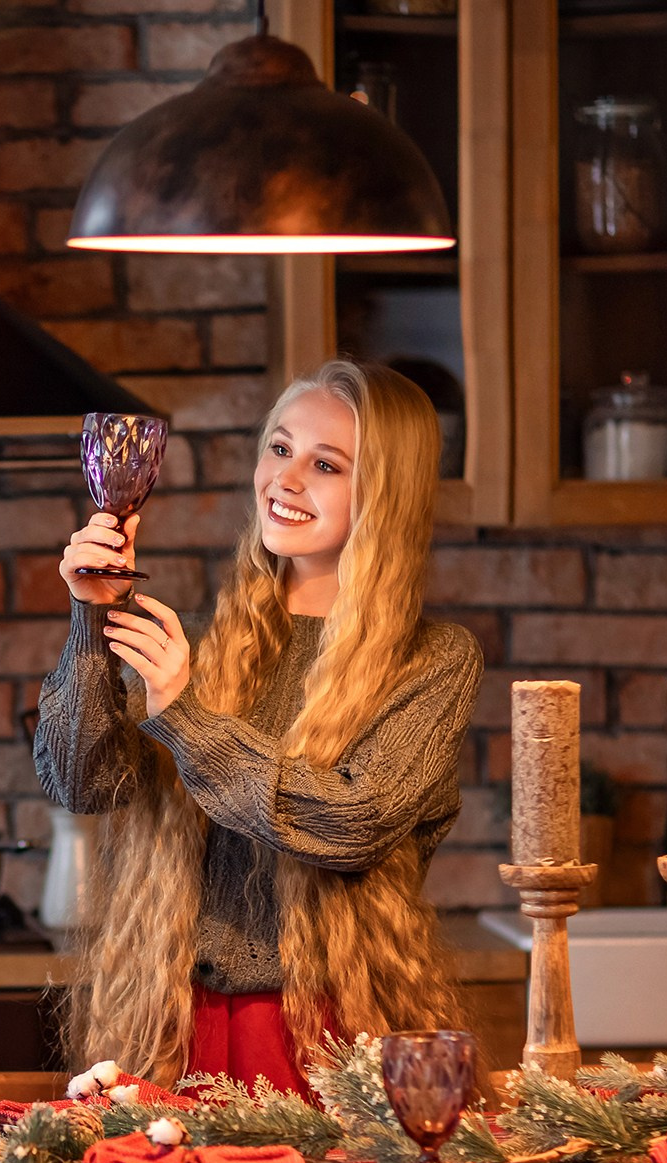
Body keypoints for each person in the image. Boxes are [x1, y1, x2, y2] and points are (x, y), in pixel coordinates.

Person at [33, 359, 483, 1095]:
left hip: (334, 1037)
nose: (288, 479)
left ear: (385, 493)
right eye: (279, 449)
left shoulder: (432, 661)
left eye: (326, 464)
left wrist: (184, 718)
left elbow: (350, 822)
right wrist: (90, 617)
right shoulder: (204, 651)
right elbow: (80, 781)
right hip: (175, 1027)